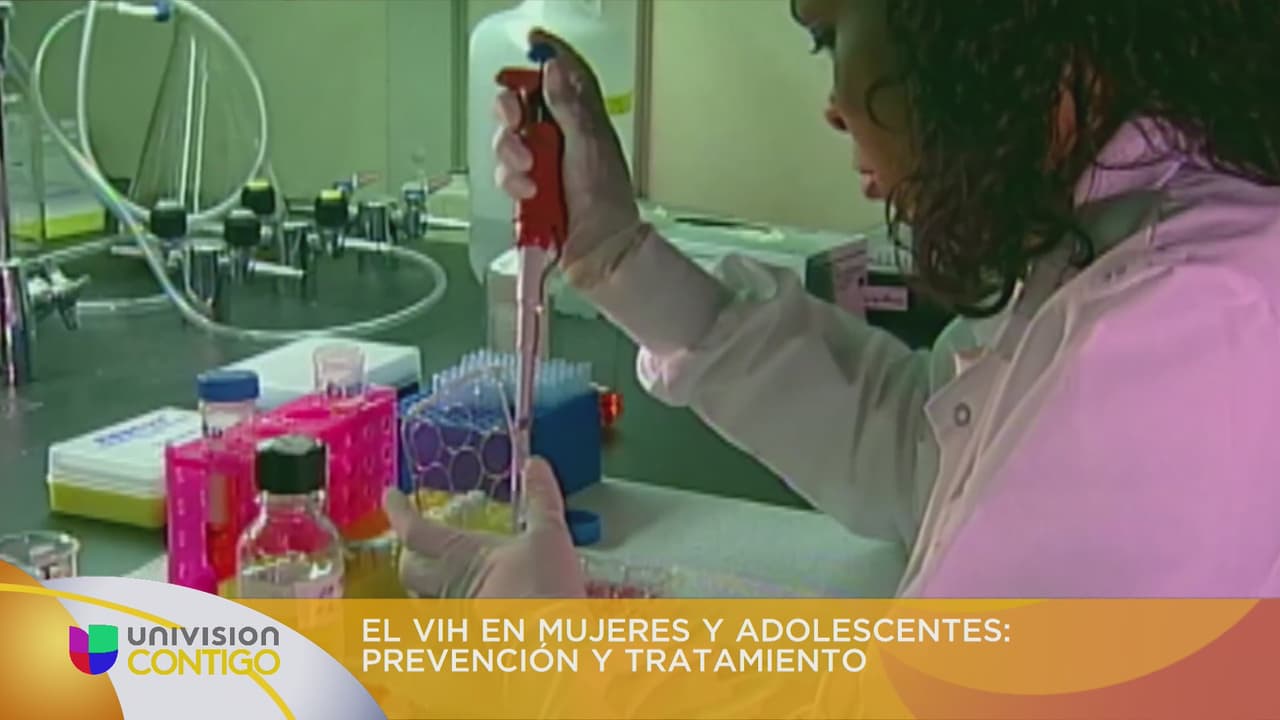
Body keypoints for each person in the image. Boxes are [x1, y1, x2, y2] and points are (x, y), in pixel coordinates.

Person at [384, 0, 1280, 598]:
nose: (834, 105)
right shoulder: (1128, 231)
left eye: (828, 36)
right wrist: (620, 255)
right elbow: (923, 456)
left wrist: (554, 664)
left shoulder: (1186, 334)